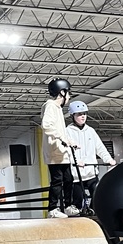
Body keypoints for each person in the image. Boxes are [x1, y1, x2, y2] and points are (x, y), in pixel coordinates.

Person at [66, 99, 116, 211]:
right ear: (72, 116)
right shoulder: (68, 131)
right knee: (77, 201)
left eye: (84, 114)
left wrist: (108, 159)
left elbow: (100, 147)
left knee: (97, 196)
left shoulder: (90, 131)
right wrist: (76, 161)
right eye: (79, 114)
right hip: (76, 175)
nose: (83, 116)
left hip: (91, 172)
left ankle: (95, 215)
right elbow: (66, 151)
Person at [42, 77, 80, 218]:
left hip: (62, 152)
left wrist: (68, 140)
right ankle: (52, 209)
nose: (69, 97)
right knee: (57, 181)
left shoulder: (57, 108)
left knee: (68, 179)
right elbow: (46, 125)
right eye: (68, 93)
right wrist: (62, 138)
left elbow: (58, 130)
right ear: (62, 92)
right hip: (54, 153)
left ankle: (68, 206)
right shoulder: (51, 105)